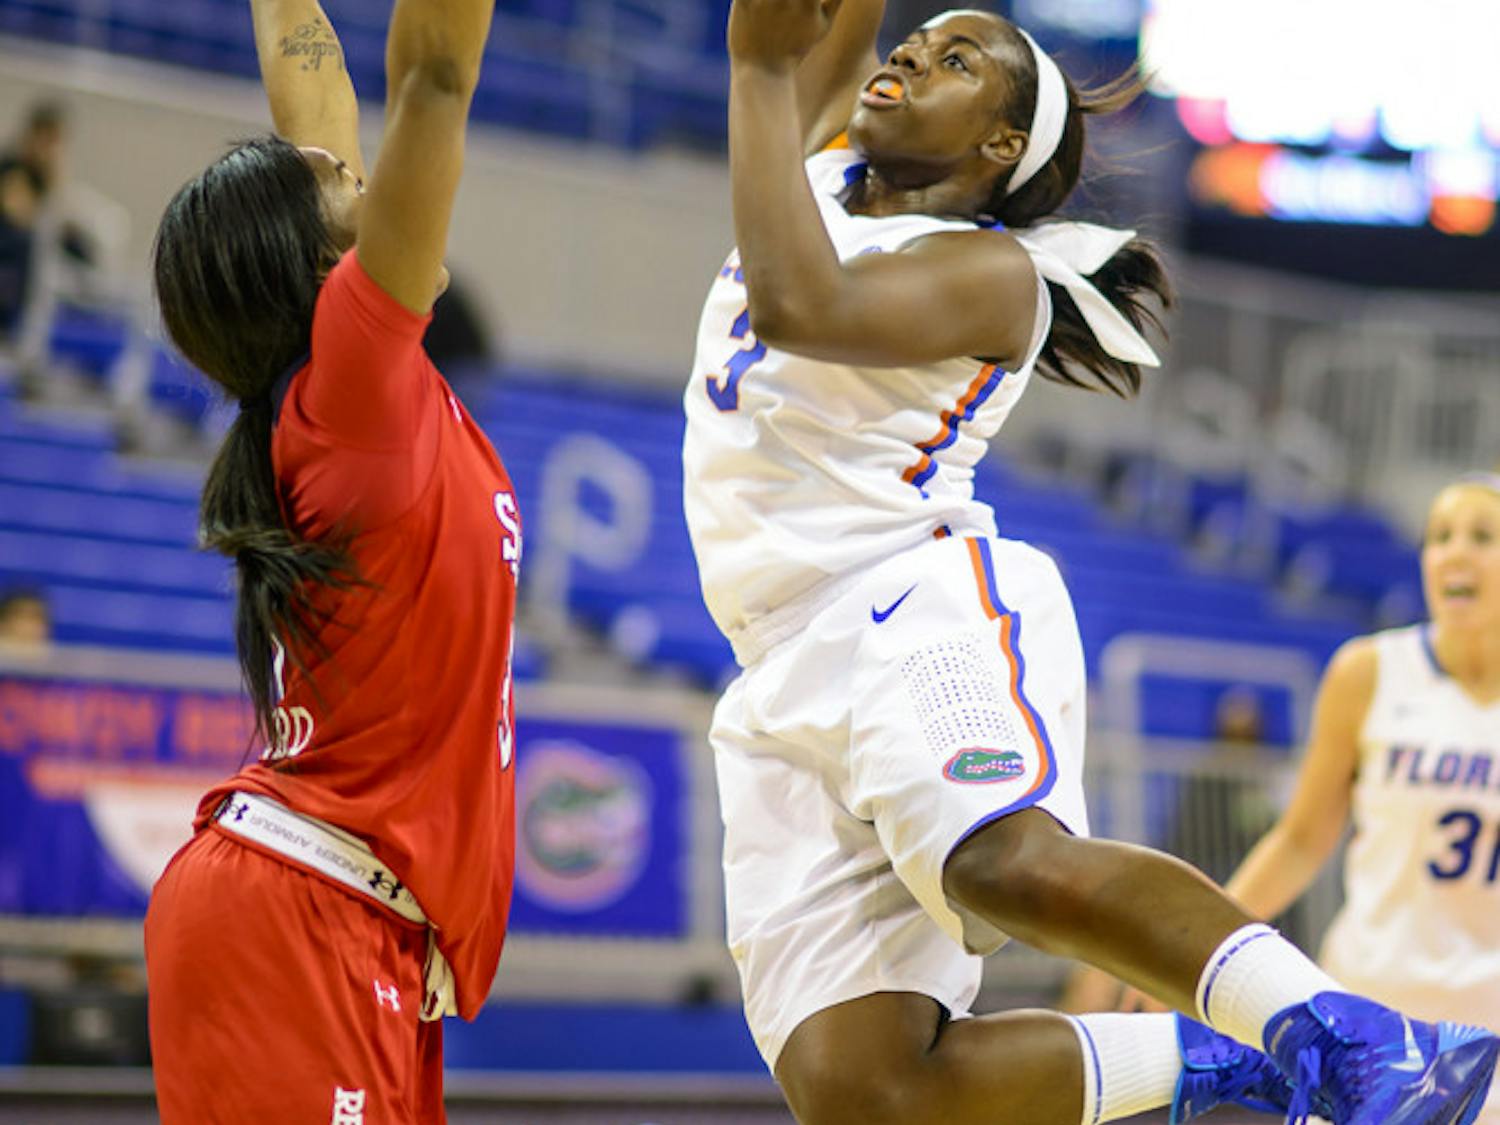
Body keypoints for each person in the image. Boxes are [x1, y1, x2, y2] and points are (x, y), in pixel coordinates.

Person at [680, 0, 1499, 1121]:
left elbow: (798, 303)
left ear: (997, 148)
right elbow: (829, 31)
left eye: (957, 59)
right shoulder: (823, 175)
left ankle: (1357, 1040)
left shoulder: (993, 276)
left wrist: (755, 75)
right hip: (775, 660)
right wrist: (785, 68)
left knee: (1002, 863)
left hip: (903, 600)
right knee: (862, 1086)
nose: (916, 55)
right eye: (917, 42)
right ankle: (1241, 1062)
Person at [143, 0, 518, 1119]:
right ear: (325, 268)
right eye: (343, 185)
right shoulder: (354, 387)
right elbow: (435, 81)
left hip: (352, 930)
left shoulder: (338, 397)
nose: (361, 174)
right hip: (303, 919)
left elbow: (313, 94)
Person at [1217, 474, 1500, 1124]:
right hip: (1369, 1022)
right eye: (1440, 536)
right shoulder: (1369, 672)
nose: (1455, 552)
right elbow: (1299, 838)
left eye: (1483, 536)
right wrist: (1201, 949)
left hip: (1488, 1038)